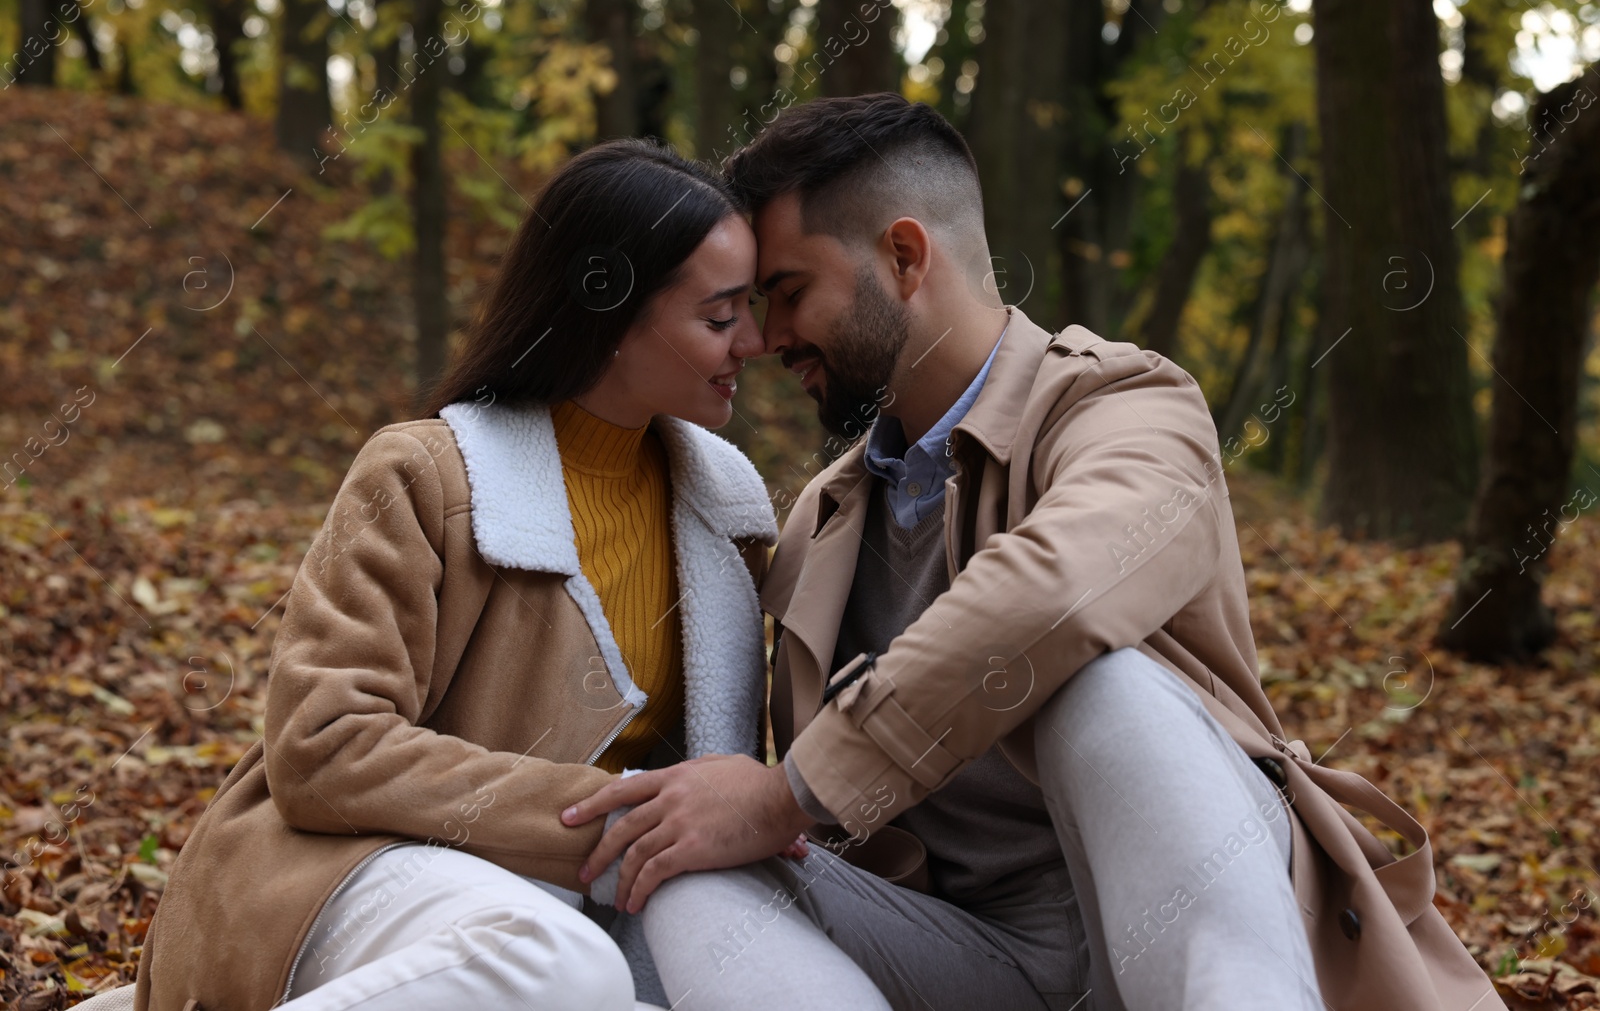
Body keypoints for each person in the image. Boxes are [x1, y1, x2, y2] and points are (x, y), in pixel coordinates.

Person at [561, 95, 1508, 1011]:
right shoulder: (820, 520)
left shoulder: (1132, 408)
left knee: (1103, 683)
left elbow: (1051, 591)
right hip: (970, 952)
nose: (767, 340)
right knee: (678, 870)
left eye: (790, 293)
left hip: (1197, 920)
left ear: (902, 256)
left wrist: (792, 792)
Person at [131, 139, 786, 1011]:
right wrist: (622, 811)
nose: (758, 340)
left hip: (594, 909)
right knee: (559, 966)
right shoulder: (426, 476)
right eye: (720, 315)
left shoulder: (728, 511)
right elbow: (324, 747)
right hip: (351, 873)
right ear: (610, 315)